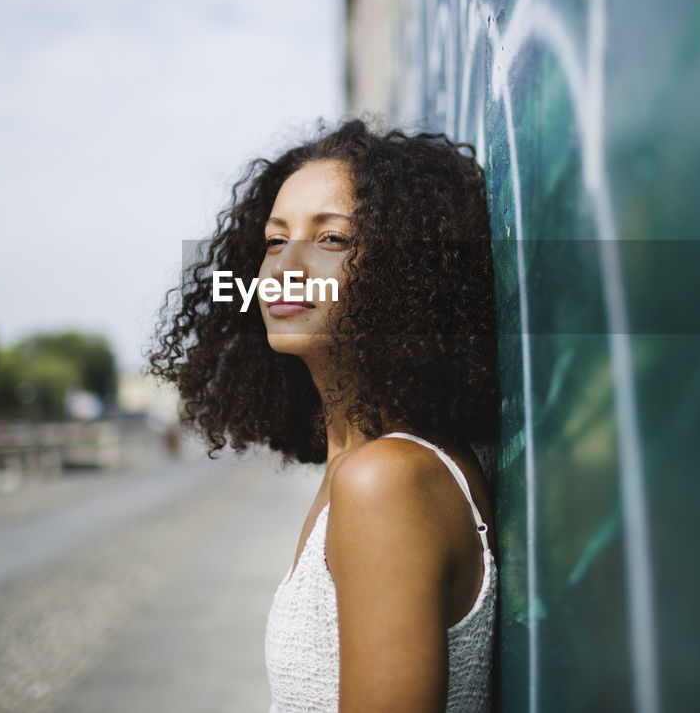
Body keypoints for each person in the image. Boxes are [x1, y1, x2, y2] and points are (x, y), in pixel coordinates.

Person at [150, 119, 499, 712]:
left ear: (407, 274)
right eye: (274, 241)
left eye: (333, 239)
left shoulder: (386, 479)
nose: (285, 266)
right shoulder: (363, 461)